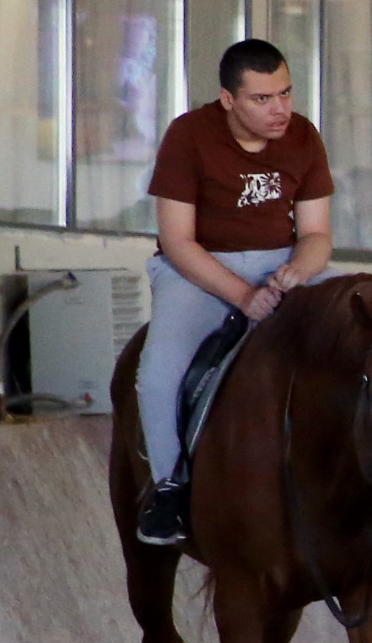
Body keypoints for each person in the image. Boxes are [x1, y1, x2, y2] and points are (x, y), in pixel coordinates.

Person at [135, 40, 334, 545]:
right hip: (200, 268)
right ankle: (169, 488)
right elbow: (178, 241)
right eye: (262, 99)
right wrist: (245, 297)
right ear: (228, 100)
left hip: (280, 259)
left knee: (361, 324)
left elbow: (316, 234)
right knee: (159, 373)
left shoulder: (304, 137)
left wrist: (297, 272)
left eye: (285, 94)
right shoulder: (188, 136)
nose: (280, 110)